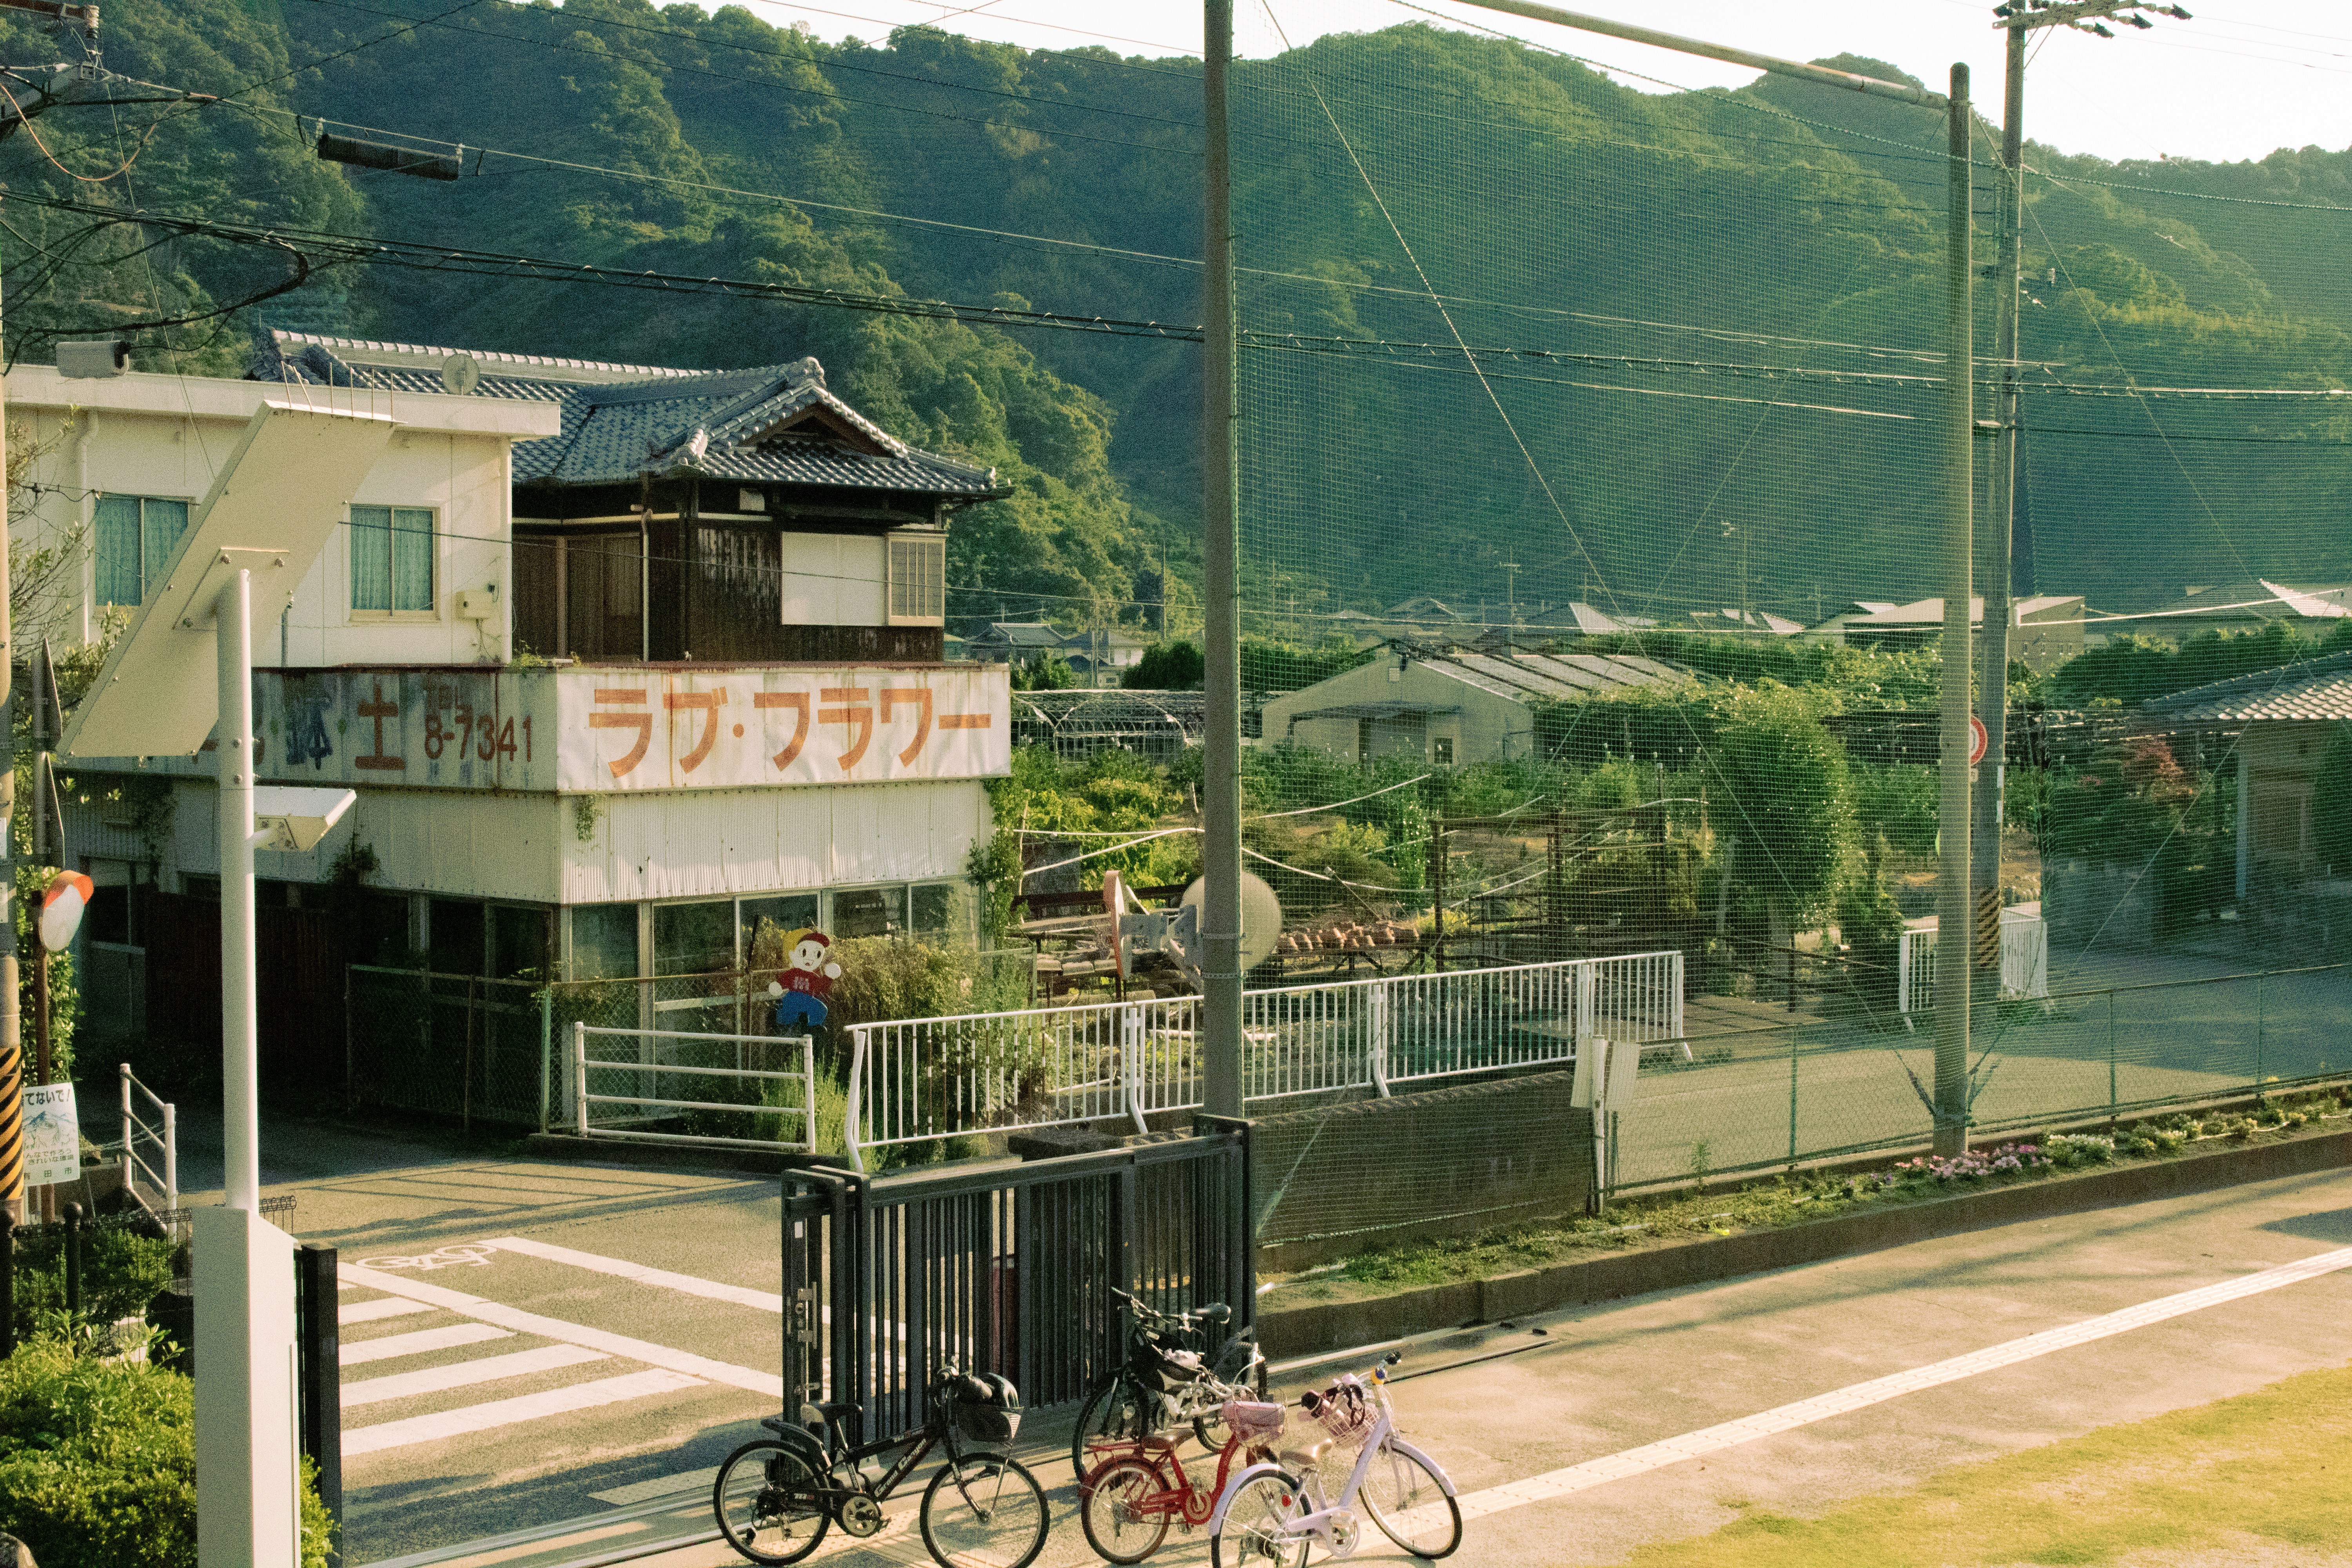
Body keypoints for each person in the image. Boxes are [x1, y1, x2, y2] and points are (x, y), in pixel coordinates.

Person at [768, 928, 842, 1031]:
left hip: (808, 999)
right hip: (792, 997)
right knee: (789, 1012)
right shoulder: (793, 973)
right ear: (793, 953)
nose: (810, 959)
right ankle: (781, 1018)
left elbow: (821, 988)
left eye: (817, 954)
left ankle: (812, 1027)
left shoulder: (813, 977)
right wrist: (778, 986)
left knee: (821, 1009)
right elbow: (783, 981)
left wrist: (829, 977)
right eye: (804, 952)